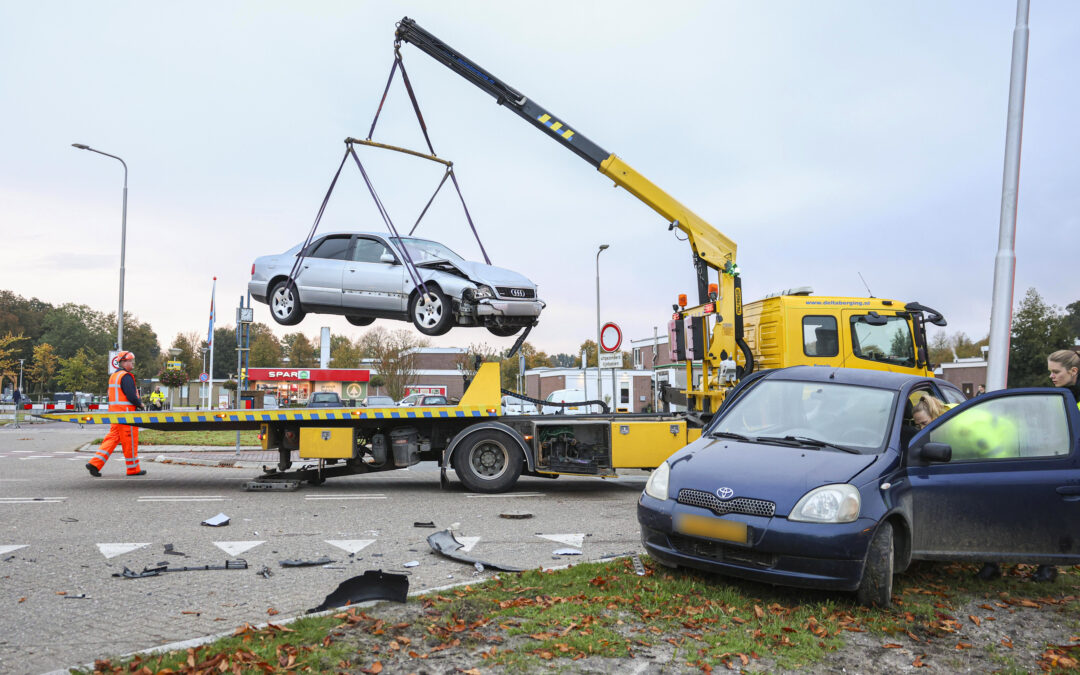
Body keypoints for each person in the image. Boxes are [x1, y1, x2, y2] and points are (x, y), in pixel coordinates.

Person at [86, 351, 146, 477]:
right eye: (130, 361)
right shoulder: (126, 376)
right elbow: (131, 395)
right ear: (123, 362)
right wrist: (140, 404)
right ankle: (133, 469)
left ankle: (95, 463)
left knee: (112, 439)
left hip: (115, 413)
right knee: (130, 442)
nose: (132, 363)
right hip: (127, 415)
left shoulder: (114, 376)